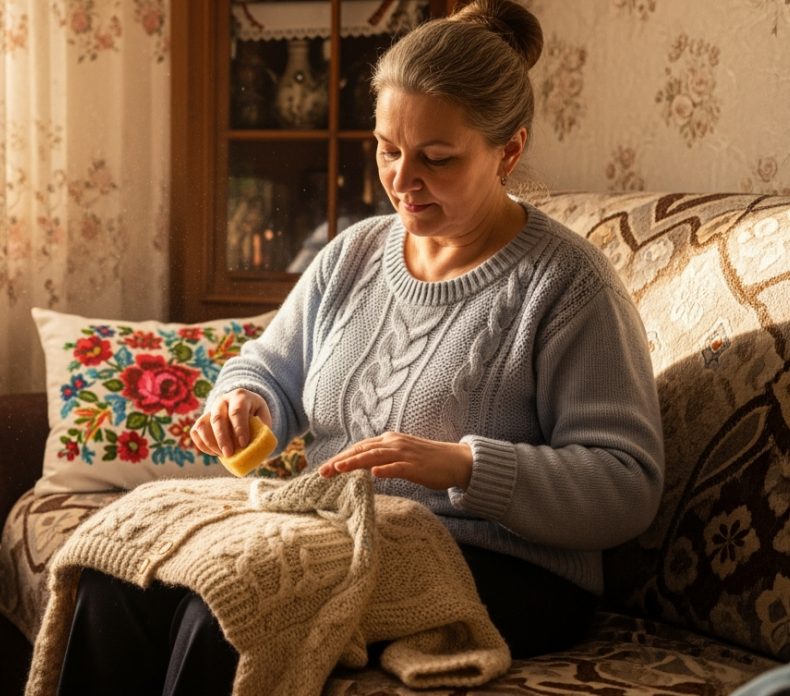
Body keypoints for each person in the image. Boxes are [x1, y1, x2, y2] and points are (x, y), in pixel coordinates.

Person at [53, 1, 665, 694]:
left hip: (504, 570)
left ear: (509, 151)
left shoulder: (568, 284)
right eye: (388, 149)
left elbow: (627, 485)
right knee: (122, 575)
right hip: (341, 531)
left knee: (231, 607)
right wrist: (245, 399)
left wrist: (464, 466)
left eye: (436, 158)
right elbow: (269, 368)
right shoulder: (354, 253)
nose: (402, 180)